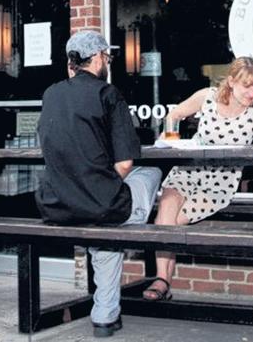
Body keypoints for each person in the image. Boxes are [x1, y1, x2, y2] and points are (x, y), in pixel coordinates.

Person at [35, 30, 161, 338]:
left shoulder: (51, 94)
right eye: (108, 57)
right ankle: (107, 312)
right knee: (152, 172)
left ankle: (105, 315)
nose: (109, 62)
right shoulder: (108, 94)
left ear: (71, 63)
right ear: (100, 58)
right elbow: (125, 164)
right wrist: (100, 184)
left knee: (105, 228)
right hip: (101, 206)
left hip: (57, 206)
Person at [141, 56, 253, 302]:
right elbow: (176, 113)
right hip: (188, 170)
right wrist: (168, 138)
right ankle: (162, 280)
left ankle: (163, 282)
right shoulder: (208, 96)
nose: (251, 93)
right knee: (166, 211)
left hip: (220, 183)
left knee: (169, 223)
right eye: (247, 86)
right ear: (232, 82)